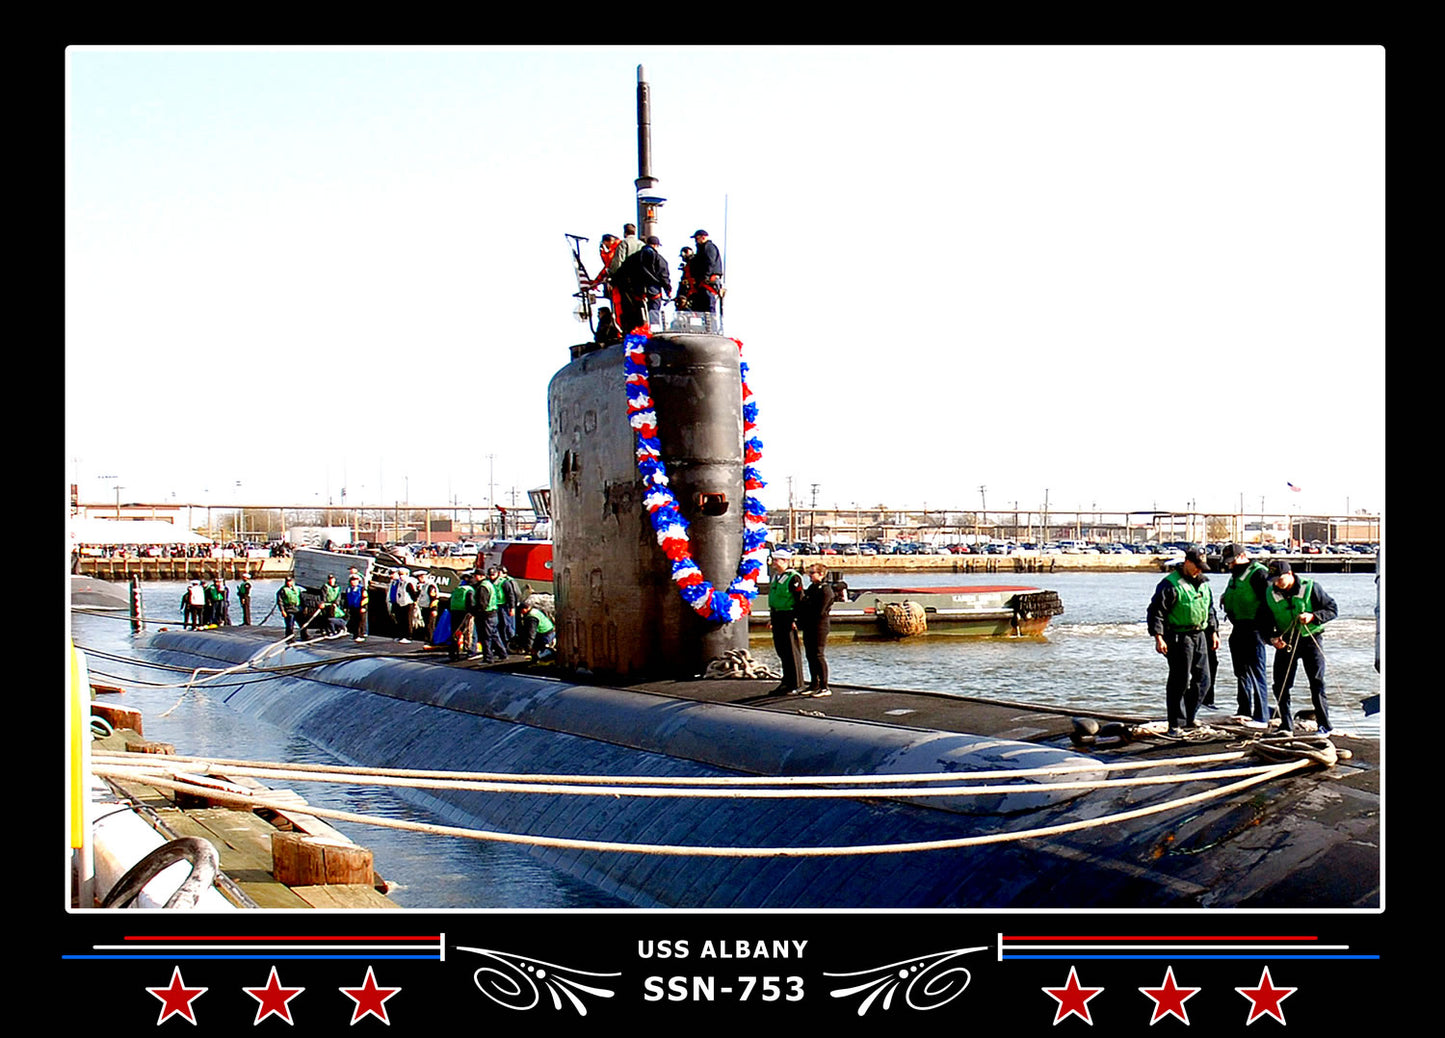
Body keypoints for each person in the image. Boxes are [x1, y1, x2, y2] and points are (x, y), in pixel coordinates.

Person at [1146, 547, 1220, 736]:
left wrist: (1214, 632)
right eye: (1196, 566)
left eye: (1202, 567)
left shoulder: (1203, 584)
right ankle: (1175, 724)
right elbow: (1156, 612)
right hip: (1178, 637)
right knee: (1179, 680)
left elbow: (1210, 609)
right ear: (1187, 562)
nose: (1199, 570)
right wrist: (1158, 637)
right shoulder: (1169, 584)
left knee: (1204, 679)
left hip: (1200, 635)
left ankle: (1189, 716)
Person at [1259, 560, 1339, 736]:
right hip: (1286, 641)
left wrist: (1313, 616)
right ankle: (1286, 725)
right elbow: (1263, 620)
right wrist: (1272, 638)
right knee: (1280, 685)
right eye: (1273, 580)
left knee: (1317, 682)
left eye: (1279, 579)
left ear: (1289, 574)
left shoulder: (1310, 587)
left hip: (1310, 639)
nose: (1276, 583)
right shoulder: (1270, 593)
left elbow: (1332, 609)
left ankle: (1324, 725)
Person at [1219, 544, 1271, 724]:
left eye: (1232, 561)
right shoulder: (1236, 575)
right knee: (1241, 672)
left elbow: (1269, 601)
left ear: (1242, 556)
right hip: (1238, 627)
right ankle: (1244, 710)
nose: (1229, 565)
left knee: (1257, 672)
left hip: (1255, 628)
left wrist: (1267, 630)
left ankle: (1261, 715)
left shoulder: (1258, 573)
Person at [765, 550, 806, 696]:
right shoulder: (777, 577)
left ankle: (797, 683)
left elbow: (799, 599)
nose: (774, 563)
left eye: (777, 560)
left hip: (788, 615)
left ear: (785, 561)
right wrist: (772, 618)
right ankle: (786, 681)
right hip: (777, 615)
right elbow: (775, 597)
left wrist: (796, 619)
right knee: (782, 650)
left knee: (791, 650)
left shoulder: (793, 577)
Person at [796, 563, 836, 696]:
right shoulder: (812, 588)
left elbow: (820, 610)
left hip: (819, 626)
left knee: (818, 654)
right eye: (809, 573)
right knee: (810, 654)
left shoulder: (826, 590)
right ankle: (814, 684)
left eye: (812, 573)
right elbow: (804, 603)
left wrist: (807, 610)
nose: (810, 575)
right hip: (809, 625)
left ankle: (824, 686)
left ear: (821, 574)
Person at [685, 229, 723, 315]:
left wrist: (706, 277)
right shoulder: (702, 249)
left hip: (708, 281)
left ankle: (711, 322)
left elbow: (710, 262)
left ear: (703, 237)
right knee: (701, 305)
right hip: (703, 282)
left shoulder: (709, 247)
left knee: (708, 304)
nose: (696, 241)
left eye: (697, 239)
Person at [448, 576, 476, 660]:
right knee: (468, 632)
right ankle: (469, 650)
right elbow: (470, 602)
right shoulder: (470, 590)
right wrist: (472, 612)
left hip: (454, 611)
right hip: (465, 612)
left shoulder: (457, 589)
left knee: (455, 632)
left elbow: (449, 601)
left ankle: (453, 652)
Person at [388, 569, 417, 643]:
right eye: (400, 575)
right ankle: (401, 636)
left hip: (408, 603)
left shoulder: (408, 583)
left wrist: (414, 602)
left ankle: (408, 637)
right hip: (400, 603)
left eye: (402, 575)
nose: (401, 576)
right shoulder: (400, 583)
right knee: (401, 620)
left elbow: (413, 594)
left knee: (408, 621)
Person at [498, 566, 522, 650]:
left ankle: (512, 643)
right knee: (504, 625)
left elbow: (516, 593)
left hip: (508, 606)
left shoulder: (509, 581)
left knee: (509, 625)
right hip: (504, 605)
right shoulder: (503, 581)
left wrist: (513, 606)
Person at [343, 573, 368, 642]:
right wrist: (345, 607)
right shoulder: (349, 589)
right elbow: (346, 598)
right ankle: (355, 635)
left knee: (360, 622)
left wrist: (363, 607)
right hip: (352, 607)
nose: (353, 582)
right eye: (352, 580)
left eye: (355, 580)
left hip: (359, 607)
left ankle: (360, 634)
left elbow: (365, 598)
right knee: (354, 621)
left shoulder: (361, 588)